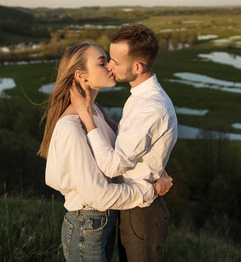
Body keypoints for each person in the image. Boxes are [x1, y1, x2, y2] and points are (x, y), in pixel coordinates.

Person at [38, 41, 172, 262]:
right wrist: (151, 190)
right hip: (86, 226)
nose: (111, 66)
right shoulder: (70, 128)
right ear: (82, 76)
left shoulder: (95, 113)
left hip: (103, 222)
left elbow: (123, 150)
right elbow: (99, 196)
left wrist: (156, 166)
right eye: (102, 62)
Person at [71, 24, 178, 262]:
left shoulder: (152, 107)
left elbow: (111, 166)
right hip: (132, 203)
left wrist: (88, 118)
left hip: (142, 211)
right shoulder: (140, 96)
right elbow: (134, 139)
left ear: (137, 67)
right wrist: (98, 112)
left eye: (115, 62)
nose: (109, 66)